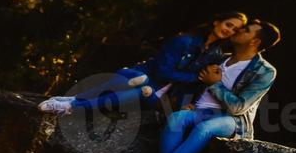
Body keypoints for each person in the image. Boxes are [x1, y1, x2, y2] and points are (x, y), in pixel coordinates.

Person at [129, 19, 280, 153]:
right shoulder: (220, 58)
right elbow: (195, 83)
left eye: (245, 30)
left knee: (205, 128)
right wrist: (189, 101)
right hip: (200, 111)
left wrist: (215, 84)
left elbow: (238, 107)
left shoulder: (265, 71)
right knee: (176, 118)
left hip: (231, 120)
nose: (238, 30)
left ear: (255, 42)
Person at [37, 12, 246, 116]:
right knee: (136, 82)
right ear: (217, 21)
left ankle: (72, 102)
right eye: (228, 24)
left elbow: (201, 82)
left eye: (234, 30)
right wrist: (191, 76)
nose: (229, 30)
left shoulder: (216, 55)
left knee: (137, 83)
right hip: (151, 80)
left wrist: (188, 102)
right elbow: (162, 70)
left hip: (165, 99)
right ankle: (72, 106)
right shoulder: (184, 41)